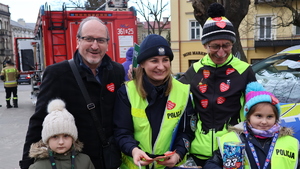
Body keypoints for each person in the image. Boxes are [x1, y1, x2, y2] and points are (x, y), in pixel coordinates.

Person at [19, 16, 125, 169]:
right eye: (89, 39)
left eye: (101, 40)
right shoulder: (57, 74)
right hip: (76, 163)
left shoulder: (117, 71)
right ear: (78, 41)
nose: (95, 46)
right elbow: (38, 121)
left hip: (111, 160)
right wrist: (26, 164)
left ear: (107, 44)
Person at [178, 3, 257, 166]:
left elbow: (259, 106)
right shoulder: (195, 70)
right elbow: (171, 93)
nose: (221, 52)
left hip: (232, 148)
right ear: (205, 45)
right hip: (198, 150)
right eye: (215, 46)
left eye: (226, 45)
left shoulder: (243, 70)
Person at [113, 34, 196, 169]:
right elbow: (121, 132)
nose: (161, 66)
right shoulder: (127, 92)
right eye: (154, 60)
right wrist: (133, 150)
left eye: (165, 60)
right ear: (142, 63)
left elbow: (187, 132)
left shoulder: (183, 92)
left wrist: (178, 154)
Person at [203, 81, 300, 169]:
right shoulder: (233, 139)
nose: (264, 121)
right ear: (248, 116)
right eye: (258, 116)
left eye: (269, 117)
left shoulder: (290, 142)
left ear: (276, 118)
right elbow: (212, 163)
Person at [28, 99, 95, 169]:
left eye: (66, 136)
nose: (61, 142)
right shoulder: (38, 166)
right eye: (55, 137)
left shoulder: (84, 161)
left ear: (73, 138)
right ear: (47, 140)